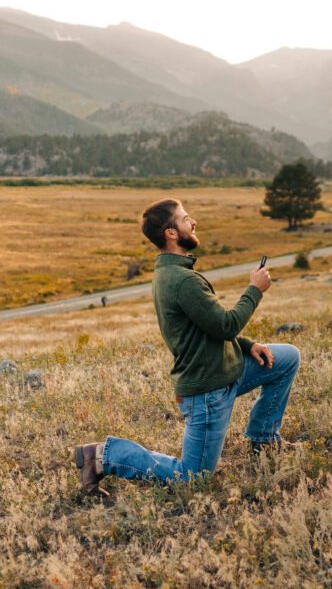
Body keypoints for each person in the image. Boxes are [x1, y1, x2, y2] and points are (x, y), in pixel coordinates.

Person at [73, 199, 300, 495]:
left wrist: (247, 345)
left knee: (286, 359)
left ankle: (263, 439)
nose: (193, 223)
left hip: (227, 369)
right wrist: (255, 289)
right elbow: (226, 325)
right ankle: (103, 456)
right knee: (192, 479)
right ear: (170, 233)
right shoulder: (181, 281)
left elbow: (205, 327)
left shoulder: (173, 273)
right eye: (186, 219)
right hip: (208, 393)